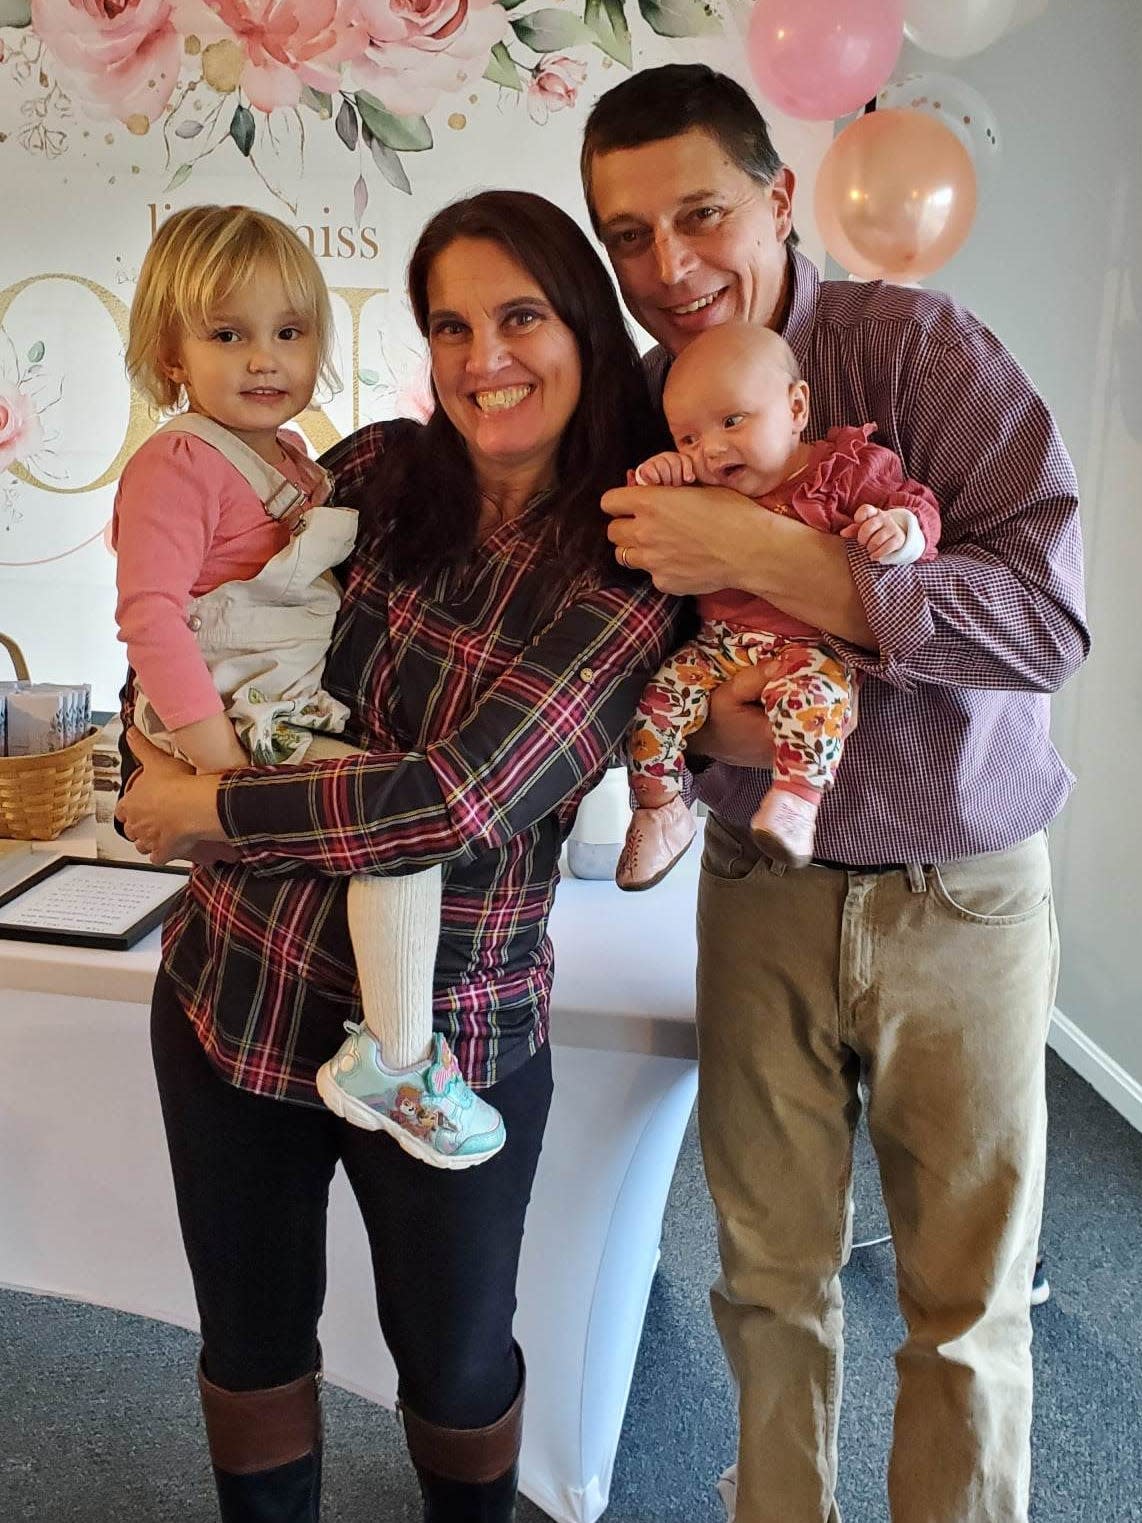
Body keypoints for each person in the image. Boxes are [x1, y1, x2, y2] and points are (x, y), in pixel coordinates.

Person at [114, 188, 678, 1523]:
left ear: (585, 328)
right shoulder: (370, 470)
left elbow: (453, 801)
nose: (485, 355)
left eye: (520, 316)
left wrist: (208, 811)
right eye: (451, 324)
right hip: (233, 990)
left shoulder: (624, 567)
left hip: (451, 1045)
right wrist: (166, 731)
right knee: (250, 1342)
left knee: (457, 1361)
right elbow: (194, 603)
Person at [581, 63, 1088, 1523]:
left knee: (964, 1305)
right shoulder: (634, 408)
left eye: (699, 216)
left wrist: (807, 567)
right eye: (625, 235)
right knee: (767, 1281)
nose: (666, 268)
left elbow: (1046, 622)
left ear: (780, 199)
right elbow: (611, 649)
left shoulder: (915, 352)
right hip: (759, 886)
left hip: (961, 893)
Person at [114, 203, 504, 1168]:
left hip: (271, 692)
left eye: (288, 333)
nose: (264, 359)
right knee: (394, 834)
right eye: (229, 334)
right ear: (172, 351)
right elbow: (151, 616)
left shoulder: (293, 458)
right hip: (240, 706)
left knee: (381, 814)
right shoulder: (177, 461)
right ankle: (398, 1060)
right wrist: (211, 765)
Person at [615, 321, 939, 888]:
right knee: (655, 702)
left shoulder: (845, 470)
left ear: (796, 406)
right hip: (719, 646)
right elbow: (647, 521)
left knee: (818, 702)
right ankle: (660, 808)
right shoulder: (703, 483)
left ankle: (796, 800)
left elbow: (918, 507)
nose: (710, 449)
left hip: (809, 646)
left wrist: (901, 530)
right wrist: (659, 476)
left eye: (732, 421)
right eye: (687, 438)